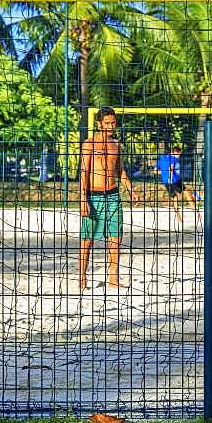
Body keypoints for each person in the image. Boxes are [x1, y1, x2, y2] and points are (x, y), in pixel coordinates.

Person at [79, 106, 141, 291]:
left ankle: (113, 278)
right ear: (99, 124)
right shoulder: (89, 144)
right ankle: (82, 276)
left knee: (115, 239)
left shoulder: (116, 145)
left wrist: (130, 189)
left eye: (113, 122)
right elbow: (84, 172)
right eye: (107, 123)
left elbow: (120, 171)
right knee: (87, 239)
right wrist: (83, 199)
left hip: (113, 195)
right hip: (93, 196)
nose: (111, 126)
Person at [156, 144, 197, 223]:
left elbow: (155, 171)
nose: (179, 156)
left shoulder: (162, 158)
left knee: (174, 198)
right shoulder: (174, 159)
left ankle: (178, 217)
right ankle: (195, 211)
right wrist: (170, 177)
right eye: (179, 155)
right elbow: (171, 168)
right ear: (176, 153)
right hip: (174, 180)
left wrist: (165, 174)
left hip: (166, 181)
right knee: (186, 192)